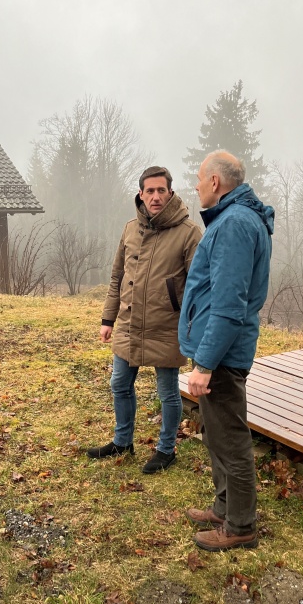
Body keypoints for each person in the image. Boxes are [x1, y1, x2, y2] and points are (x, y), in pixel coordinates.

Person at [179, 150, 274, 551]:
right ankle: (224, 507)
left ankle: (240, 526)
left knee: (231, 439)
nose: (196, 186)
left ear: (215, 182)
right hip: (216, 351)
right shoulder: (235, 219)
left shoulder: (234, 224)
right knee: (217, 436)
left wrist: (205, 363)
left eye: (199, 179)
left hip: (220, 355)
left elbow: (229, 305)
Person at [87, 166, 202, 473]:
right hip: (127, 324)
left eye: (161, 190)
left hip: (167, 327)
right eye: (149, 191)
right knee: (120, 383)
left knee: (167, 392)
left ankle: (167, 450)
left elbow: (200, 286)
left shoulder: (188, 233)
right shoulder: (130, 229)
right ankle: (122, 440)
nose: (155, 196)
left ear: (171, 193)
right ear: (140, 194)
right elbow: (117, 277)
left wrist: (193, 328)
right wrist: (108, 319)